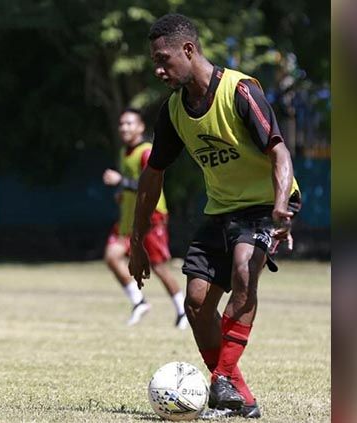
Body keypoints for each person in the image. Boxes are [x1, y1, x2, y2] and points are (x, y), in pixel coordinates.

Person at [128, 14, 302, 419]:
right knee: (196, 302)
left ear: (188, 50)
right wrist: (136, 242)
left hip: (267, 206)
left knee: (244, 270)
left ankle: (221, 381)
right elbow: (152, 177)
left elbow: (280, 151)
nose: (158, 69)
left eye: (163, 59)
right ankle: (237, 395)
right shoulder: (173, 111)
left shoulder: (240, 91)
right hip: (222, 208)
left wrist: (280, 205)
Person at [103, 108, 188, 329]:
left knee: (158, 267)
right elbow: (132, 186)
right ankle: (139, 301)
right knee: (112, 256)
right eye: (122, 124)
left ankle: (182, 311)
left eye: (129, 123)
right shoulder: (124, 153)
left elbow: (149, 185)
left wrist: (121, 181)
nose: (124, 128)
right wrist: (122, 196)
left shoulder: (147, 152)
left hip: (151, 218)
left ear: (141, 127)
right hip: (129, 219)